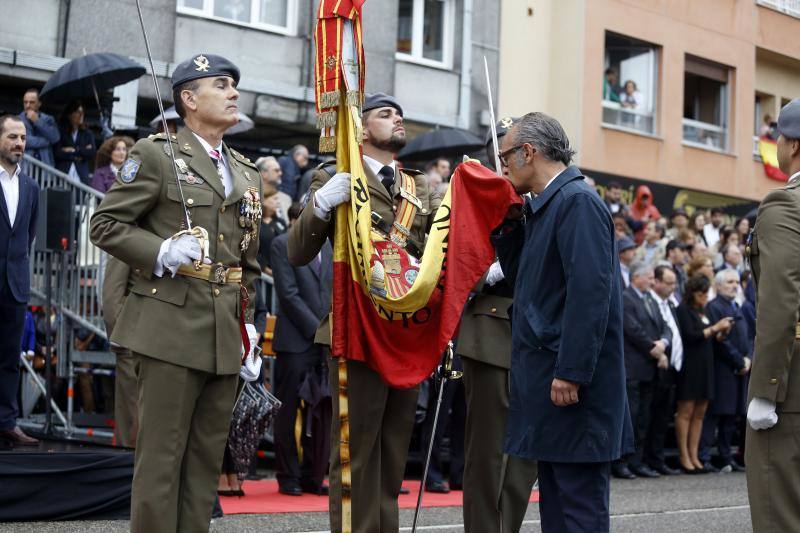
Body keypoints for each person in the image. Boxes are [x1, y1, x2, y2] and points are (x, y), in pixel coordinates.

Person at [89, 54, 263, 532]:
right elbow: (104, 224)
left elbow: (247, 261)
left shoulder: (244, 172)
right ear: (189, 98)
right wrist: (161, 249)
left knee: (205, 466)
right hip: (168, 325)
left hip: (224, 331)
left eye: (235, 85)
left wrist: (248, 324)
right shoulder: (156, 154)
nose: (233, 93)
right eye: (221, 85)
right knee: (161, 461)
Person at [287, 93, 442, 532]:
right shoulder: (334, 176)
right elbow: (298, 251)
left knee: (393, 457)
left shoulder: (419, 187)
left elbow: (435, 253)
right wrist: (319, 206)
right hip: (356, 330)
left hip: (406, 333)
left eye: (400, 113)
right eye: (385, 113)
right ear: (360, 127)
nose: (398, 119)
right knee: (355, 456)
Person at [493, 112, 633, 532]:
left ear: (529, 152)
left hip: (572, 388)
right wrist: (510, 221)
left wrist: (570, 371)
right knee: (557, 509)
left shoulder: (577, 202)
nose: (502, 167)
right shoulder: (546, 206)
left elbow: (590, 296)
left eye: (505, 157)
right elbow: (528, 281)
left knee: (578, 511)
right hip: (551, 386)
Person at [454, 116, 538, 532]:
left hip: (534, 336)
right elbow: (452, 262)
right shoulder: (474, 195)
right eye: (501, 150)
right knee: (488, 454)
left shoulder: (540, 198)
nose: (508, 158)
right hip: (490, 330)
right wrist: (489, 270)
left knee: (524, 457)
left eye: (514, 150)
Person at [745, 97, 800, 532]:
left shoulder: (785, 204)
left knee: (778, 512)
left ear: (793, 145)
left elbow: (780, 301)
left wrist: (766, 388)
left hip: (792, 391)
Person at [271, 214, 332, 496]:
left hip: (325, 344)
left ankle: (313, 474)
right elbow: (288, 294)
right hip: (296, 342)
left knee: (320, 412)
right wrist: (318, 329)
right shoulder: (282, 243)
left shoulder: (331, 246)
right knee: (288, 410)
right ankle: (288, 475)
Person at [0, 115, 40, 447]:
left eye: (23, 138)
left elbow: (26, 237)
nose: (19, 143)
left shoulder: (31, 187)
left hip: (14, 284)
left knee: (10, 358)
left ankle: (6, 422)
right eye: (13, 136)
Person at [614, 262, 671, 480]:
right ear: (636, 277)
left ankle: (638, 461)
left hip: (649, 369)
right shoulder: (627, 298)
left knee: (643, 419)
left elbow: (665, 325)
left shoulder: (649, 299)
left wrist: (664, 343)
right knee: (631, 418)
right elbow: (632, 330)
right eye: (648, 277)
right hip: (633, 369)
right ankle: (622, 463)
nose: (651, 280)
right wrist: (653, 348)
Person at [674, 275, 732, 474]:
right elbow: (691, 336)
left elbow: (711, 335)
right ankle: (684, 456)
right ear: (693, 293)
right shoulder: (683, 309)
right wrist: (715, 328)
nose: (705, 298)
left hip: (706, 366)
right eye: (701, 294)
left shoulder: (704, 310)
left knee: (700, 413)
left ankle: (694, 455)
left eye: (706, 294)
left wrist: (722, 331)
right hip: (690, 367)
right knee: (686, 411)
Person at [700, 269, 750, 473]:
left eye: (736, 281)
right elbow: (721, 342)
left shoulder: (736, 306)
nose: (734, 285)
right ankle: (704, 456)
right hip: (723, 369)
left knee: (731, 417)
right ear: (718, 285)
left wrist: (748, 359)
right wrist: (739, 361)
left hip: (739, 369)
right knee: (715, 415)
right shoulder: (714, 307)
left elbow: (747, 337)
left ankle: (726, 455)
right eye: (729, 281)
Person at [645, 266, 683, 475]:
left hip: (672, 367)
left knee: (663, 418)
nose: (672, 287)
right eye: (668, 283)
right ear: (656, 282)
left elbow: (669, 329)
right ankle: (647, 459)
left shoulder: (671, 303)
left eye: (674, 283)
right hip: (655, 367)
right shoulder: (648, 302)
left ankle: (657, 459)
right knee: (650, 418)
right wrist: (660, 349)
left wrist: (667, 341)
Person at [101, 256, 138, 448]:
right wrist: (122, 339)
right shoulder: (131, 231)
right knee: (132, 423)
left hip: (163, 341)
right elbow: (111, 297)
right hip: (133, 341)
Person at [54, 100, 96, 185]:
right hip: (63, 173)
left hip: (81, 175)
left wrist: (74, 150)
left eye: (82, 112)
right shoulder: (61, 131)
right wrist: (81, 152)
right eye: (78, 112)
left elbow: (91, 152)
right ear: (70, 114)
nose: (81, 115)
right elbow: (58, 152)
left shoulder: (87, 133)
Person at [18, 88, 60, 168]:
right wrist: (47, 141)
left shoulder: (48, 119)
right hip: (25, 167)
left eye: (32, 102)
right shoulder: (17, 120)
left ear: (39, 103)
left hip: (45, 168)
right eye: (25, 102)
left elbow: (55, 138)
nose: (28, 105)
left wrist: (38, 121)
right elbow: (22, 142)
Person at [256, 184, 287, 276]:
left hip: (282, 272)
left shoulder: (280, 222)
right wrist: (267, 270)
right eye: (274, 199)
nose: (278, 202)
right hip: (263, 276)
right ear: (264, 200)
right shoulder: (255, 224)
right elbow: (254, 251)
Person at [256, 155, 291, 221]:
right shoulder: (251, 196)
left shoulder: (286, 199)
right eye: (276, 170)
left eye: (280, 170)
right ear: (264, 174)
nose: (280, 173)